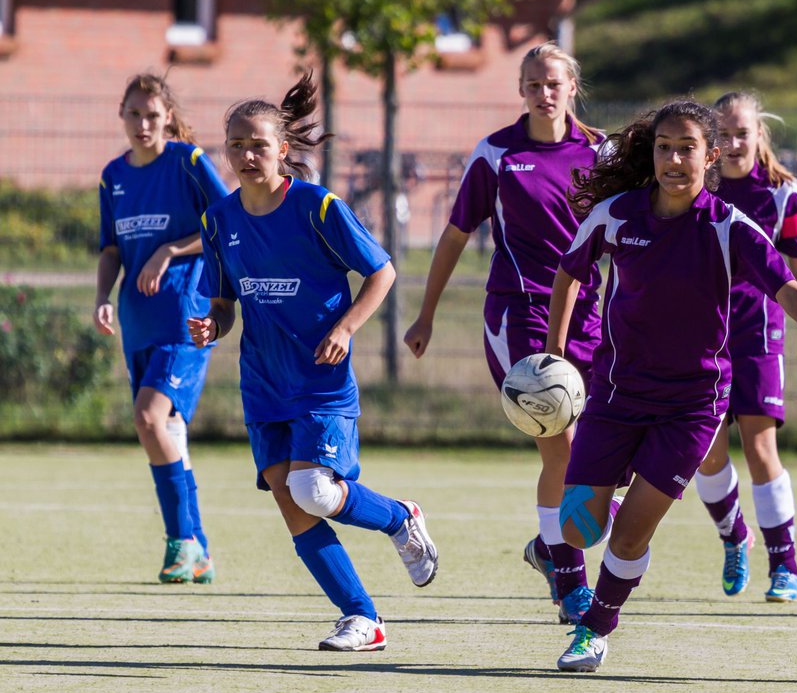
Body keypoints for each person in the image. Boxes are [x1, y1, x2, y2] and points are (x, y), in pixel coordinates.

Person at [546, 100, 797, 672]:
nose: (672, 159)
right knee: (575, 527)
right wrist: (554, 351)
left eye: (686, 148)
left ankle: (595, 629)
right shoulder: (616, 215)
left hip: (692, 404)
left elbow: (786, 286)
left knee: (629, 536)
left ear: (709, 156)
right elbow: (570, 273)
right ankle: (591, 524)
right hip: (616, 394)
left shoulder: (726, 226)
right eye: (663, 147)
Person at [188, 72, 437, 652]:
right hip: (263, 384)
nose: (247, 155)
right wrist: (212, 325)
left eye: (258, 144)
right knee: (289, 497)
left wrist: (346, 328)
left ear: (283, 150)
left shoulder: (317, 207)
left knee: (316, 491)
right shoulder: (219, 220)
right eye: (236, 145)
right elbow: (224, 301)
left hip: (321, 382)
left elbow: (382, 273)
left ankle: (400, 517)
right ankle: (362, 617)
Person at [403, 42, 605, 625]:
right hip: (519, 315)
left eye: (555, 83)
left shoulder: (603, 152)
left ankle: (549, 546)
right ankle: (571, 587)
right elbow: (454, 234)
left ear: (573, 88)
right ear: (521, 90)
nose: (545, 93)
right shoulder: (496, 153)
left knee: (606, 453)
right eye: (534, 84)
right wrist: (426, 314)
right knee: (561, 448)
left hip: (592, 313)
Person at [693, 91, 797, 603]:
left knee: (758, 446)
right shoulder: (695, 186)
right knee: (705, 454)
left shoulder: (782, 193)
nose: (732, 143)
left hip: (758, 331)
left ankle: (785, 565)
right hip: (701, 332)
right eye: (723, 134)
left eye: (742, 133)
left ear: (759, 135)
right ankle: (735, 536)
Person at [95, 73, 229, 584]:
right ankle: (199, 549)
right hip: (137, 319)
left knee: (150, 419)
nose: (143, 123)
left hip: (185, 316)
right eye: (134, 114)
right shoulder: (112, 176)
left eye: (153, 114)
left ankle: (181, 543)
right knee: (168, 431)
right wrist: (102, 298)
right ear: (122, 115)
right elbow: (110, 248)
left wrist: (171, 248)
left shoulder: (188, 163)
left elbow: (225, 221)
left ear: (168, 117)